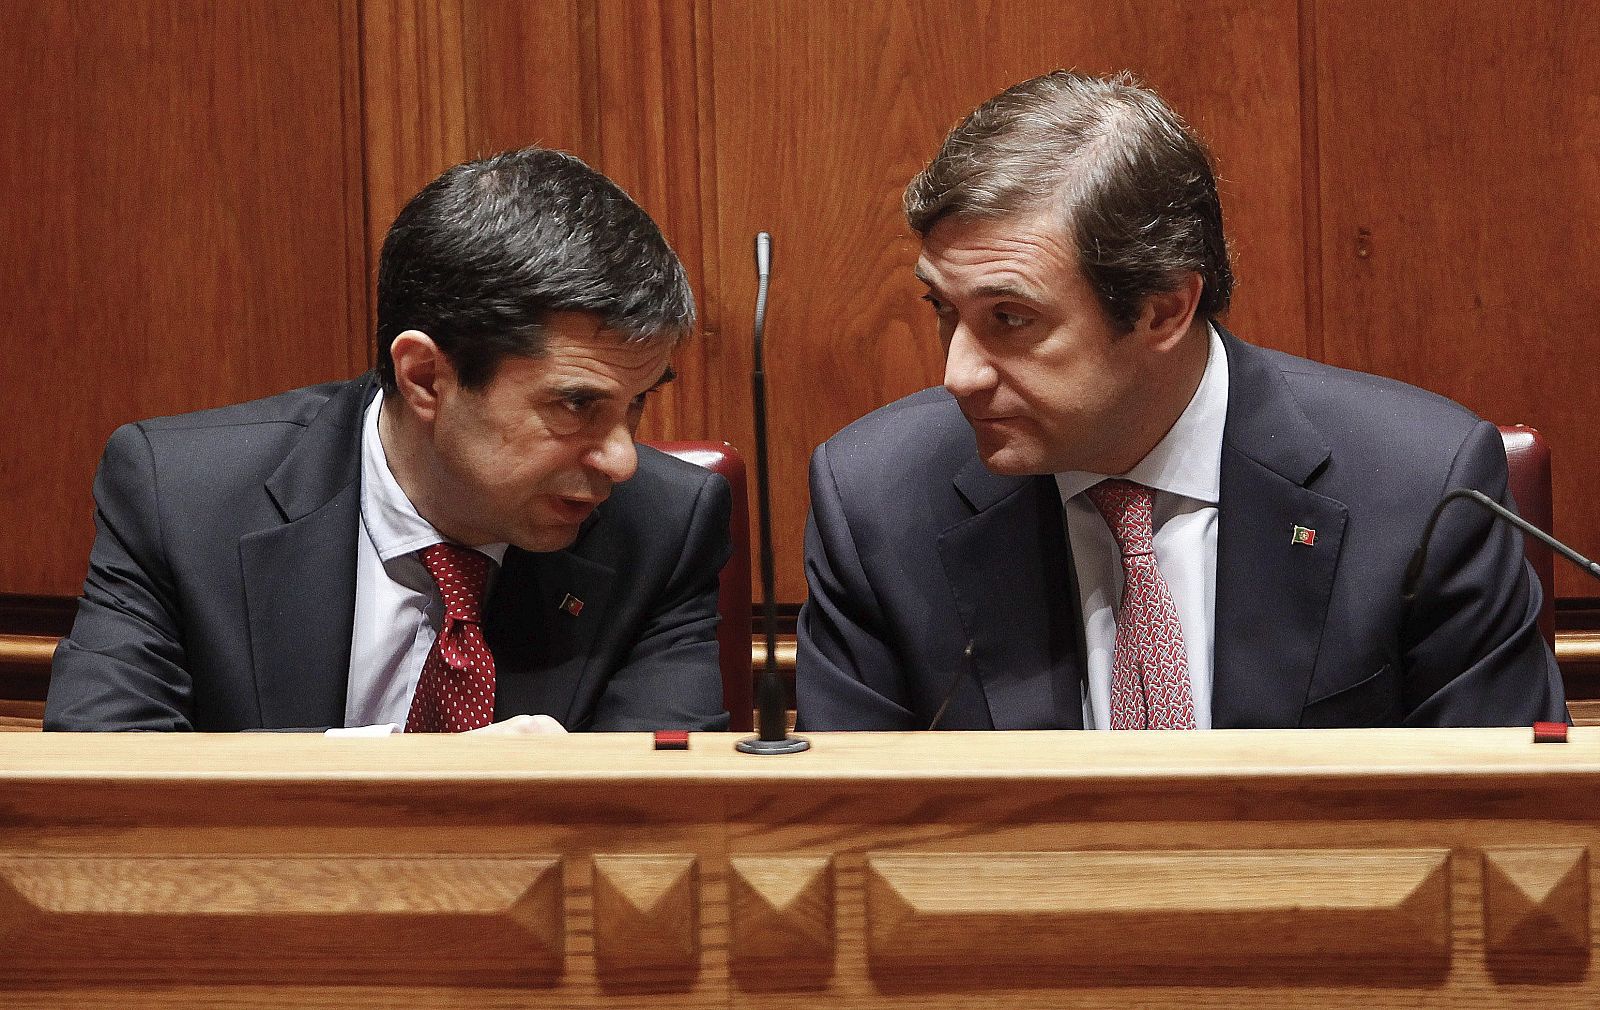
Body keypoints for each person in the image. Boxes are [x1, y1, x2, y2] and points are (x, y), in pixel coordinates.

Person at [796, 71, 1566, 731]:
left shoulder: (1418, 485)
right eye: (943, 310)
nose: (959, 374)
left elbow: (1508, 839)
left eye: (1011, 319)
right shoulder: (878, 502)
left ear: (1164, 309)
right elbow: (837, 855)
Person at [47, 146, 731, 733]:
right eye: (577, 405)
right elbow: (102, 805)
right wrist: (457, 788)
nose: (621, 459)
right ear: (426, 378)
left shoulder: (663, 531)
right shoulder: (183, 502)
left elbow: (657, 839)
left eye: (637, 404)